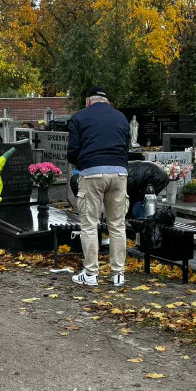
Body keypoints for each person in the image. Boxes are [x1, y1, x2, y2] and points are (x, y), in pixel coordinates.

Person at [67, 86, 130, 287]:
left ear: (88, 101)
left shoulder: (79, 118)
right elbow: (126, 146)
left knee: (89, 224)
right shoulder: (121, 117)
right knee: (117, 224)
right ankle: (118, 274)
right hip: (119, 173)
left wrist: (80, 164)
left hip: (92, 172)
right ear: (107, 101)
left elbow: (73, 151)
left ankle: (91, 273)